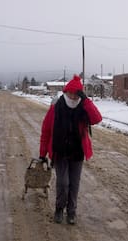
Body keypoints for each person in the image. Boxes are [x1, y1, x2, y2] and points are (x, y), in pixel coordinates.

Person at [39, 75, 102, 225]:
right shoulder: (56, 107)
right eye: (70, 92)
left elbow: (97, 119)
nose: (73, 96)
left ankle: (71, 211)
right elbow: (46, 130)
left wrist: (85, 100)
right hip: (60, 151)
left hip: (77, 152)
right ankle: (59, 209)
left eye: (76, 93)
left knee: (74, 184)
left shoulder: (83, 107)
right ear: (66, 91)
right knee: (63, 182)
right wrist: (42, 154)